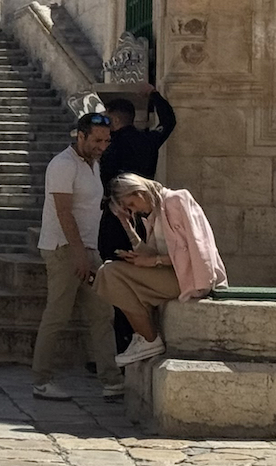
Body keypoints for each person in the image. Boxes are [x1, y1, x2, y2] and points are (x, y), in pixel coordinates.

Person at [31, 113, 124, 402]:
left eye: (106, 141)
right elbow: (63, 212)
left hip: (87, 249)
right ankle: (42, 380)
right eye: (96, 140)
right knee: (57, 315)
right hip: (64, 249)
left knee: (101, 314)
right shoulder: (62, 165)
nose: (102, 146)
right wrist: (78, 254)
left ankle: (111, 380)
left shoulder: (93, 165)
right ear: (80, 136)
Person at [96, 173, 228, 365]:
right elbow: (156, 253)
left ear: (139, 192)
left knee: (110, 273)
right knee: (110, 272)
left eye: (131, 204)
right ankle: (144, 338)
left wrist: (152, 262)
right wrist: (128, 228)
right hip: (173, 275)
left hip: (189, 278)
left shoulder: (176, 200)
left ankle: (148, 338)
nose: (134, 210)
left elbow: (195, 250)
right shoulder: (155, 213)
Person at [97, 86, 176, 352]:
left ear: (115, 120)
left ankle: (127, 344)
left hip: (116, 218)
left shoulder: (110, 146)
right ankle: (142, 337)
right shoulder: (147, 140)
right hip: (144, 217)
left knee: (119, 283)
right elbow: (169, 122)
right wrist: (154, 95)